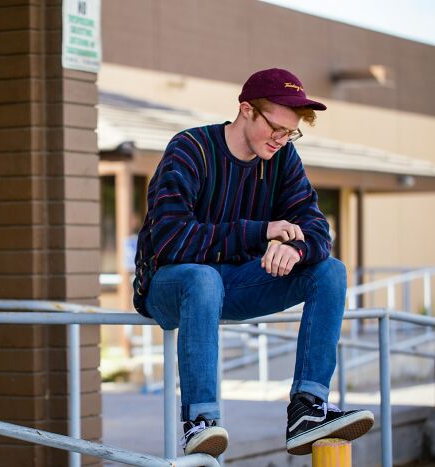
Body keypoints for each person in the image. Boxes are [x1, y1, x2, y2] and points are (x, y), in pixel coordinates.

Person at [132, 68, 374, 457]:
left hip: (236, 285)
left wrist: (295, 248)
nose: (281, 140)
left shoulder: (282, 160)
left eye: (290, 133)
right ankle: (200, 421)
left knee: (329, 271)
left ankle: (306, 409)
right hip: (170, 286)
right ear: (246, 110)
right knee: (202, 277)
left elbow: (316, 229)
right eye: (275, 128)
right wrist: (261, 232)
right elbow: (171, 240)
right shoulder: (190, 149)